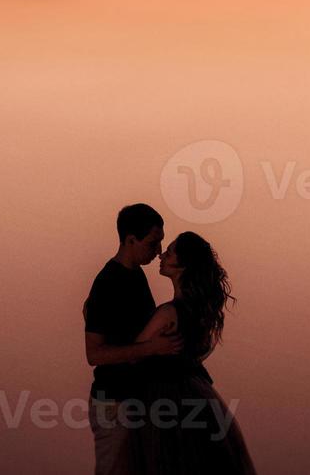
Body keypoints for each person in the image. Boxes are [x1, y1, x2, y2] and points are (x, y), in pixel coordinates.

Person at [129, 232, 257, 473]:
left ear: (183, 264)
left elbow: (134, 354)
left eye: (170, 252)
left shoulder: (169, 314)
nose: (162, 255)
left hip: (164, 400)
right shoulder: (200, 313)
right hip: (198, 396)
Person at [83, 204, 183, 475]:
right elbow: (95, 354)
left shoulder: (135, 275)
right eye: (152, 243)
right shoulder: (108, 282)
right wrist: (152, 347)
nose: (158, 251)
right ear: (130, 240)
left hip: (133, 401)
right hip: (113, 401)